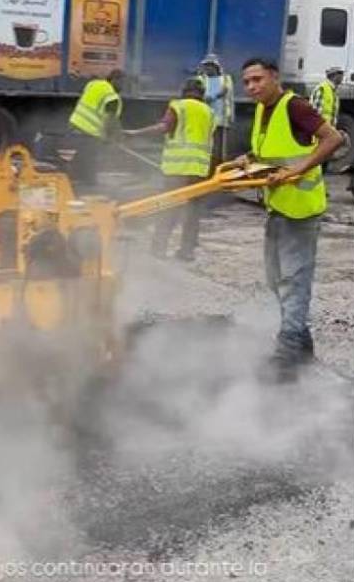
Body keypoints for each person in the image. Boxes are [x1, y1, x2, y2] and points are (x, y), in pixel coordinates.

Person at [232, 57, 342, 380]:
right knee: (276, 278)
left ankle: (288, 354)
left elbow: (334, 138)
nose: (252, 87)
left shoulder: (294, 106)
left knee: (294, 280)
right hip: (278, 207)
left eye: (257, 79)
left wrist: (299, 169)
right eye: (247, 82)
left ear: (274, 77)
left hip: (302, 209)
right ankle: (302, 345)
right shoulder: (263, 111)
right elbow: (273, 151)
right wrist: (248, 158)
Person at [124, 77, 215, 262]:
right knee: (193, 213)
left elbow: (164, 126)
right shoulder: (209, 112)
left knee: (168, 209)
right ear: (202, 94)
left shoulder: (179, 106)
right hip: (198, 170)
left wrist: (135, 133)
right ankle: (187, 251)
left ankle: (159, 249)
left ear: (184, 91)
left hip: (177, 169)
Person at [68, 70, 125, 185]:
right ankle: (89, 184)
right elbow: (110, 120)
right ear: (114, 80)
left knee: (82, 155)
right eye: (122, 82)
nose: (123, 86)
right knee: (90, 158)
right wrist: (113, 137)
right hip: (90, 130)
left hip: (76, 122)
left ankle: (73, 179)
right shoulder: (112, 97)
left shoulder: (94, 84)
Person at [196, 53, 234, 168]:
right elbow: (200, 98)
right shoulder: (201, 79)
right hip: (205, 119)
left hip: (221, 119)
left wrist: (231, 116)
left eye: (209, 66)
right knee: (206, 146)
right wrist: (216, 95)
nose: (207, 68)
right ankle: (206, 167)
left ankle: (217, 167)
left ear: (215, 66)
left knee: (219, 148)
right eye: (205, 66)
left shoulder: (226, 79)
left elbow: (230, 99)